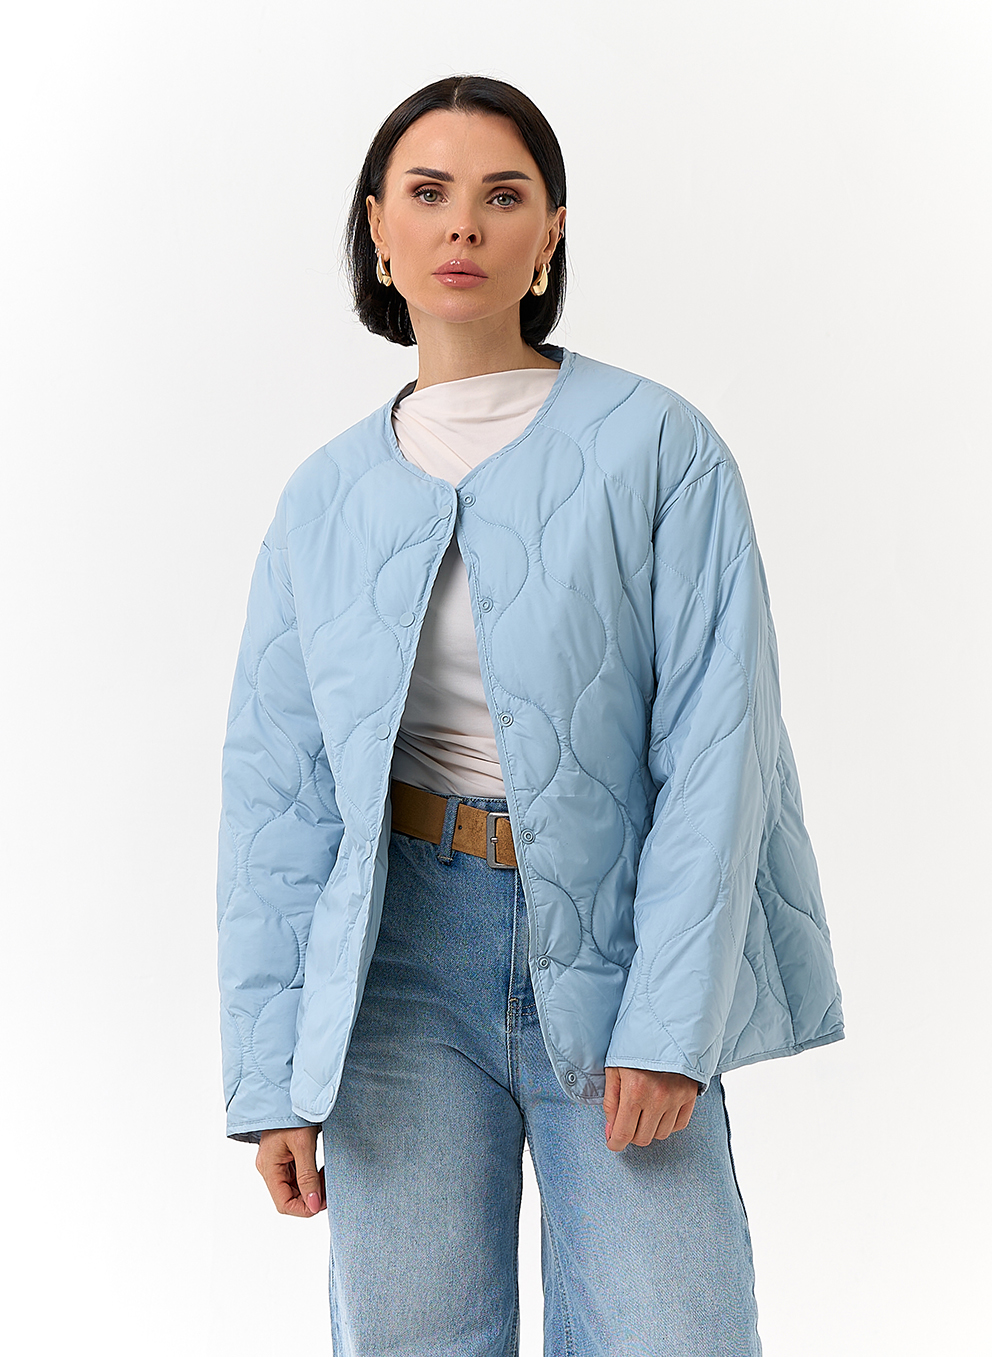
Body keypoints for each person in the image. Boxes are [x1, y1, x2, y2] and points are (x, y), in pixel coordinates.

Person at [216, 73, 845, 1356]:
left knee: (671, 1331)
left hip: (611, 949)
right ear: (378, 228)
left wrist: (669, 1024)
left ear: (549, 232)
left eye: (502, 196)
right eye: (428, 192)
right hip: (396, 965)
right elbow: (277, 797)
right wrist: (271, 1073)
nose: (463, 224)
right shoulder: (321, 497)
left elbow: (718, 750)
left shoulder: (658, 447)